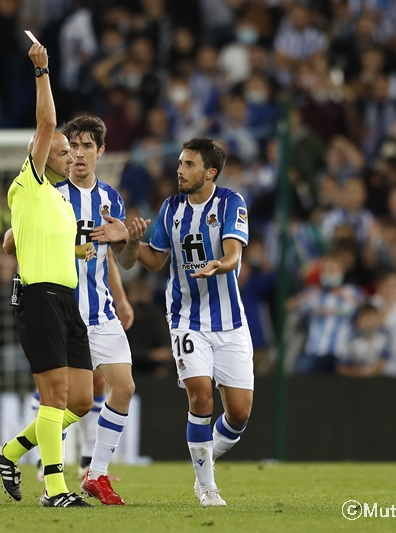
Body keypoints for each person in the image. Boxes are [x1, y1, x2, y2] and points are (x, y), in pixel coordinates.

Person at [118, 138, 253, 507]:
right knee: (200, 396)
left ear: (210, 172)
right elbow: (152, 260)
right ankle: (206, 486)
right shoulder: (170, 208)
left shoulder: (230, 203)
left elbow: (233, 253)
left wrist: (219, 266)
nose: (180, 169)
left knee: (239, 415)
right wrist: (129, 242)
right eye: (180, 162)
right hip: (186, 319)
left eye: (189, 164)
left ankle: (203, 458)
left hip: (230, 322)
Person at [0, 41, 94, 508]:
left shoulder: (57, 198)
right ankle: (55, 489)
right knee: (53, 397)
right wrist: (43, 71)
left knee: (82, 400)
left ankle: (8, 453)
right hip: (40, 297)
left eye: (74, 150)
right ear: (41, 149)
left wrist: (76, 247)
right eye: (64, 148)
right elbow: (47, 121)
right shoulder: (27, 181)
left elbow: (14, 240)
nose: (70, 154)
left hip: (67, 300)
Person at [56, 115, 135, 505]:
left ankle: (96, 474)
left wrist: (128, 239)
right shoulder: (52, 195)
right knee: (68, 400)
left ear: (101, 151)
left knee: (124, 388)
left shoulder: (112, 199)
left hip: (102, 313)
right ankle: (51, 476)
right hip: (64, 313)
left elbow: (120, 258)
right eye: (74, 145)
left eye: (88, 146)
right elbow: (21, 245)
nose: (80, 153)